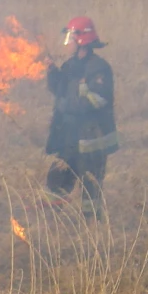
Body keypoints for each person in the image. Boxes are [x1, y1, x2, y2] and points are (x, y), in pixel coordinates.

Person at [45, 16, 120, 219]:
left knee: (90, 188)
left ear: (82, 40)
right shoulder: (70, 65)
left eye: (71, 37)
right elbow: (61, 90)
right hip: (70, 138)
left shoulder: (99, 68)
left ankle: (92, 230)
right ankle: (51, 225)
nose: (67, 42)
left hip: (91, 141)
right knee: (56, 180)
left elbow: (97, 100)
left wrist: (67, 105)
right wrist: (53, 73)